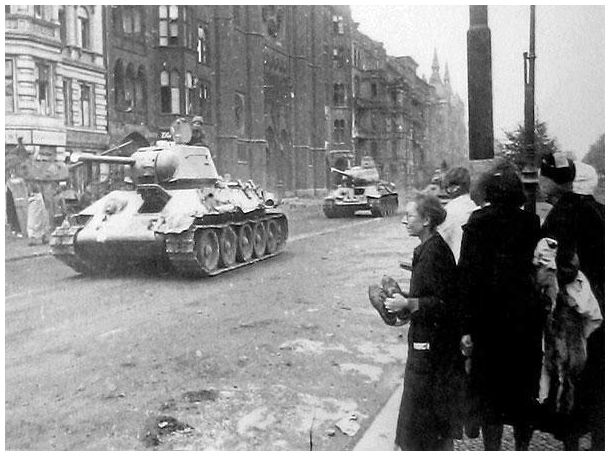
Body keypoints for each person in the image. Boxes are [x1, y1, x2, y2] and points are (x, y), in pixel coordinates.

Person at [458, 160, 543, 450]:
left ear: (490, 192)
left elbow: (466, 278)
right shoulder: (531, 223)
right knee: (522, 391)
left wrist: (466, 327)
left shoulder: (477, 222)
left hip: (487, 321)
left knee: (489, 391)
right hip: (524, 320)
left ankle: (492, 449)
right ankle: (521, 448)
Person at [384, 193, 463, 450]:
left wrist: (408, 304)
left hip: (431, 349)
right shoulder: (431, 248)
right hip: (430, 345)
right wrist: (406, 299)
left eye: (410, 216)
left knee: (421, 415)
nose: (404, 221)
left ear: (427, 219)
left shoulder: (432, 254)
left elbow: (444, 303)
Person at [538, 155, 604, 450]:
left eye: (542, 176)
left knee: (570, 377)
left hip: (570, 313)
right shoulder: (596, 211)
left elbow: (552, 268)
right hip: (598, 306)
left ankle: (572, 443)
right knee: (598, 380)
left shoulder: (558, 217)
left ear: (550, 180)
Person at [437, 167, 478, 263]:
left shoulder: (449, 210)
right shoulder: (476, 207)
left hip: (456, 263)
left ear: (455, 188)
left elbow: (439, 240)